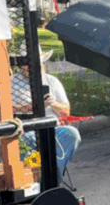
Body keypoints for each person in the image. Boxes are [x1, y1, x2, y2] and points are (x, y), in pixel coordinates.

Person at [13, 48, 82, 178]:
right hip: (27, 130)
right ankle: (48, 177)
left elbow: (66, 111)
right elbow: (9, 110)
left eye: (34, 63)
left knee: (72, 134)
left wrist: (53, 104)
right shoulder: (13, 83)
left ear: (42, 63)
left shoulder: (52, 81)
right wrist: (33, 107)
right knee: (22, 142)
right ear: (21, 65)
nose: (29, 67)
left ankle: (50, 175)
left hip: (53, 129)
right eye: (26, 63)